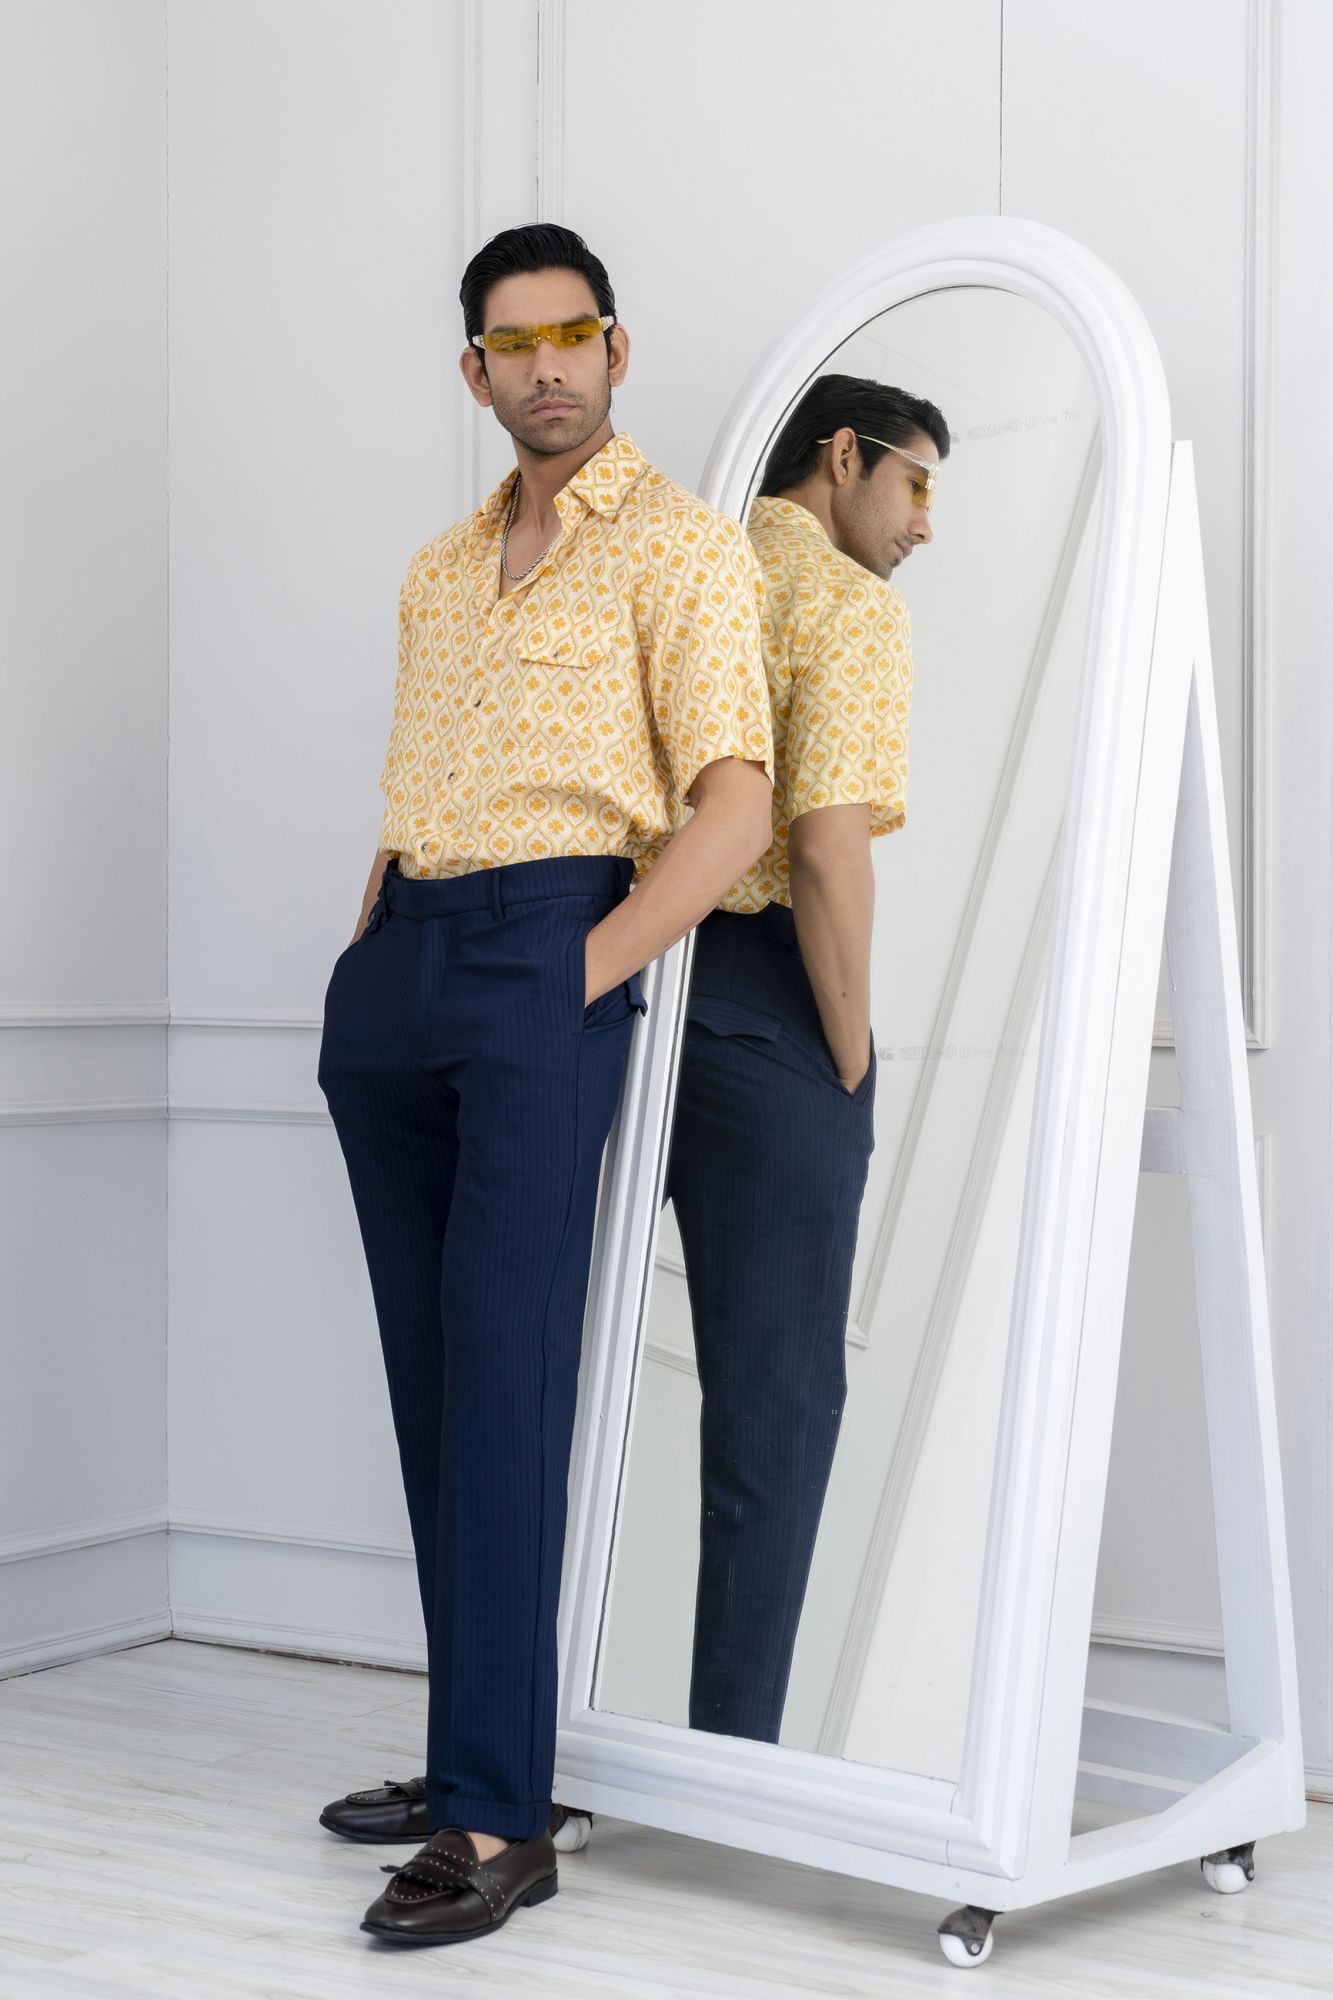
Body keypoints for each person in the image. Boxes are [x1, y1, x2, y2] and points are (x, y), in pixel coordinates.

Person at [315, 222, 776, 1948]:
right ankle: (465, 1759)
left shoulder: (679, 548)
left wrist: (581, 970)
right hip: (407, 956)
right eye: (513, 344)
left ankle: (503, 1820)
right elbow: (409, 785)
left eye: (572, 334)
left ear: (616, 348)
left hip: (550, 946)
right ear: (475, 373)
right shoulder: (442, 569)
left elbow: (730, 802)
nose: (546, 366)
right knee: (438, 1388)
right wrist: (368, 957)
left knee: (507, 1382)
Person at [661, 373, 947, 1741]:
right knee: (774, 1407)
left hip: (615, 979)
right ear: (840, 456)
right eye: (915, 483)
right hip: (764, 1004)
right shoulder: (844, 606)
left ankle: (513, 1752)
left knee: (547, 1375)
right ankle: (731, 1755)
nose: (925, 525)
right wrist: (846, 1054)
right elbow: (824, 847)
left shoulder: (681, 568)